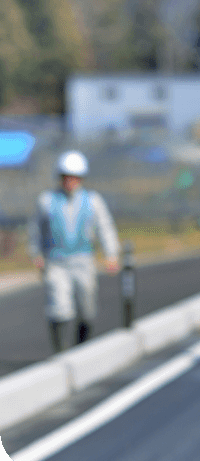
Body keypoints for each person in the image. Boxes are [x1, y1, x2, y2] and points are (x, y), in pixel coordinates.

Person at [29, 150, 120, 352]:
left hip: (83, 260)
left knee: (87, 309)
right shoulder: (47, 201)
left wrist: (111, 254)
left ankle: (82, 348)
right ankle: (60, 351)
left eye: (74, 177)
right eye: (66, 177)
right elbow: (36, 230)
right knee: (59, 308)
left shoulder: (92, 200)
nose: (70, 182)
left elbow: (105, 226)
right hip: (56, 261)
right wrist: (36, 254)